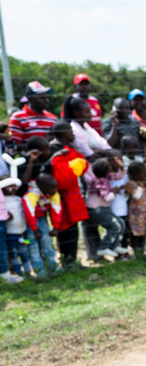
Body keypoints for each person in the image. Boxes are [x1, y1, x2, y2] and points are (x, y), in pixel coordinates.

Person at [48, 122, 91, 268]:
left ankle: (72, 260)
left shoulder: (67, 148)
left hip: (72, 194)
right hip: (60, 196)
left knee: (73, 228)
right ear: (63, 133)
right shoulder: (53, 149)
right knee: (64, 229)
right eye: (71, 131)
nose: (73, 134)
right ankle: (67, 262)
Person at [9, 83, 58, 151]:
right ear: (29, 98)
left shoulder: (52, 118)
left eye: (47, 97)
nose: (46, 100)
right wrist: (40, 146)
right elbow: (14, 145)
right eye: (42, 98)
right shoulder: (18, 117)